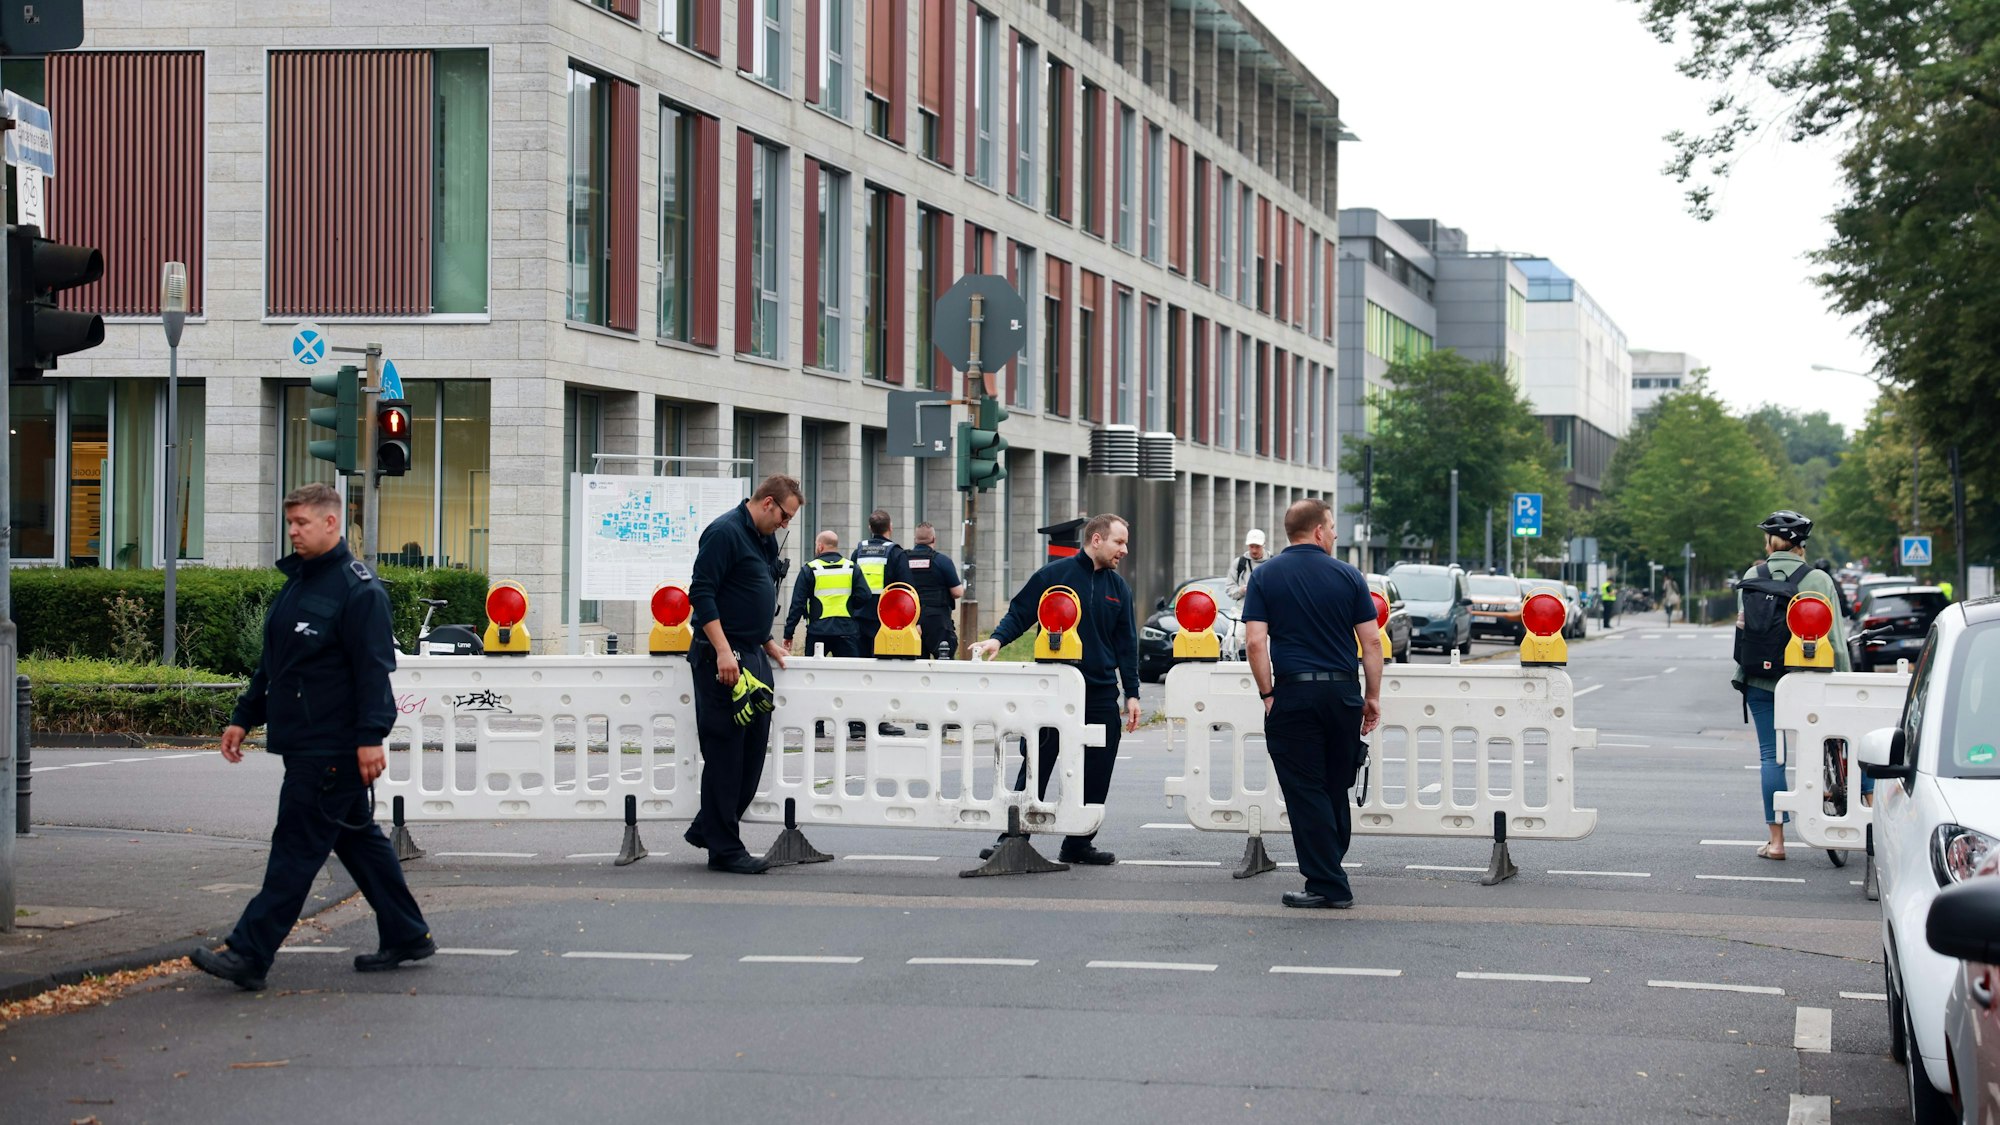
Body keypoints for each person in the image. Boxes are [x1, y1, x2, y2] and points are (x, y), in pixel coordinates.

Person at [191, 483, 432, 992]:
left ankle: (250, 953)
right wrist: (244, 716)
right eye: (291, 524)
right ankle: (408, 933)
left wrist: (370, 738)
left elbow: (374, 671)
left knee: (295, 848)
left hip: (331, 746)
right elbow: (276, 664)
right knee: (358, 840)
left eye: (302, 523)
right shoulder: (300, 582)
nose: (294, 532)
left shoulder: (357, 589)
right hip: (306, 739)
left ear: (331, 523)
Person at [970, 514, 1142, 865]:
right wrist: (998, 640)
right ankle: (1014, 837)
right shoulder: (1053, 577)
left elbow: (1127, 645)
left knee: (1098, 766)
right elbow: (1020, 612)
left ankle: (1079, 842)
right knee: (1036, 761)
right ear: (1097, 540)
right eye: (1119, 542)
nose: (1124, 550)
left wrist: (1133, 693)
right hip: (1052, 690)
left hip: (1099, 692)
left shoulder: (1118, 589)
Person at [1243, 499, 1383, 909]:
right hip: (1342, 694)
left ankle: (1329, 884)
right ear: (1318, 531)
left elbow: (1254, 643)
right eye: (1333, 528)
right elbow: (1371, 642)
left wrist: (1268, 694)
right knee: (1334, 784)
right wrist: (1371, 698)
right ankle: (1330, 865)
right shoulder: (1349, 575)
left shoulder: (1265, 576)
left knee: (1305, 790)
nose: (1336, 534)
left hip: (1295, 693)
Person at [684, 475, 801, 875]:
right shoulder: (724, 533)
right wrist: (721, 650)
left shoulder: (762, 537)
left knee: (752, 752)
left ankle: (708, 827)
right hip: (723, 659)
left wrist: (765, 640)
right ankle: (724, 849)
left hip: (751, 654)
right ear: (768, 503)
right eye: (785, 515)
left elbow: (748, 593)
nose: (785, 524)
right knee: (726, 754)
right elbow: (701, 594)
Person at [1731, 509, 1850, 861]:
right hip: (1810, 684)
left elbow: (1744, 629)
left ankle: (1777, 842)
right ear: (1801, 545)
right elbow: (1837, 639)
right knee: (1830, 745)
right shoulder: (1819, 580)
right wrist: (1843, 679)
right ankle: (1842, 817)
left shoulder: (1753, 575)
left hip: (1761, 679)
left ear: (1770, 542)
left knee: (1772, 757)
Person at [784, 530, 873, 659]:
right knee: (849, 675)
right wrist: (850, 606)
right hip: (846, 630)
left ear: (820, 546)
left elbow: (797, 604)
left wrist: (788, 634)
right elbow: (865, 595)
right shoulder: (851, 568)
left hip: (818, 632)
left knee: (813, 674)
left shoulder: (810, 569)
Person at [851, 509, 914, 645]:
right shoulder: (897, 553)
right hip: (886, 620)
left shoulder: (858, 552)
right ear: (890, 527)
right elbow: (906, 589)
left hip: (859, 618)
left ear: (870, 528)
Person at [907, 522, 965, 659]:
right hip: (937, 619)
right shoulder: (942, 561)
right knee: (944, 660)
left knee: (915, 664)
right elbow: (957, 592)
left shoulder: (903, 559)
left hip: (911, 619)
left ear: (915, 539)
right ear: (934, 539)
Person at [1228, 529, 1267, 599]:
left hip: (1266, 609)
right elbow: (1229, 590)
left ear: (1264, 544)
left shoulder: (1273, 563)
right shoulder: (1238, 563)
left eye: (1257, 546)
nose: (1254, 550)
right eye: (1251, 546)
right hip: (1242, 609)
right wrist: (1241, 590)